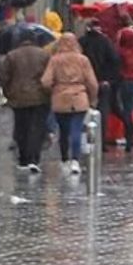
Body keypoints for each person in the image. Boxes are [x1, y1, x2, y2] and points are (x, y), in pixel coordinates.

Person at [40, 33, 98, 174]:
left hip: (60, 99)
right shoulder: (83, 60)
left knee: (63, 131)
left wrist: (52, 90)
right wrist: (93, 98)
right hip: (79, 98)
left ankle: (65, 158)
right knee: (76, 129)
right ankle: (75, 160)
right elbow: (92, 83)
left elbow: (45, 81)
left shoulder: (55, 60)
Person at [0, 33, 51, 172]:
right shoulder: (44, 55)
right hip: (40, 97)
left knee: (21, 127)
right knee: (37, 128)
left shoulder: (11, 56)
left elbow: (3, 77)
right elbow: (49, 76)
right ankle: (34, 158)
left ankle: (23, 159)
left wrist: (7, 93)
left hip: (18, 98)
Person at [79, 20, 121, 148]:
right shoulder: (105, 42)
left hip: (84, 83)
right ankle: (101, 142)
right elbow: (115, 60)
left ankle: (85, 141)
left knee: (84, 112)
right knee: (102, 112)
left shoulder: (81, 42)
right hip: (103, 82)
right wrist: (109, 79)